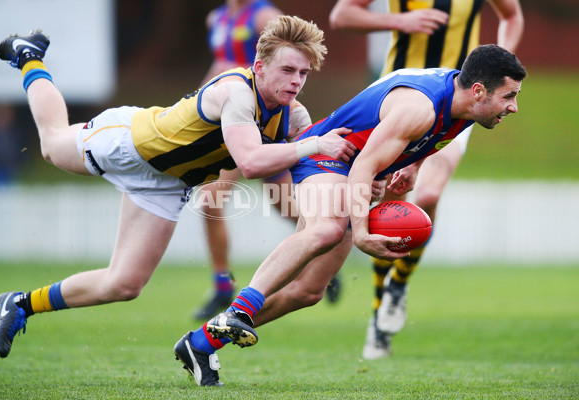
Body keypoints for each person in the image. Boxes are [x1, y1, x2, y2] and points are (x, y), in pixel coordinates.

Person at [0, 16, 357, 363]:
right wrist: (313, 147)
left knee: (124, 284)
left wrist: (353, 191)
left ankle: (20, 304)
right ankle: (28, 57)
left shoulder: (293, 116)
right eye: (287, 70)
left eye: (304, 73)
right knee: (52, 144)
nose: (296, 81)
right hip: (131, 145)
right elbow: (250, 162)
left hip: (168, 184)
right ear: (259, 67)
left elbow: (304, 176)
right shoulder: (237, 92)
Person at [174, 44, 526, 386]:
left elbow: (421, 139)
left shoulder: (467, 106)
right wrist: (360, 231)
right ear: (478, 90)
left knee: (308, 291)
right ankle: (238, 310)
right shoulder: (420, 107)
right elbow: (364, 165)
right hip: (327, 151)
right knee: (327, 229)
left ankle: (201, 343)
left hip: (351, 164)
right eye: (509, 97)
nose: (513, 108)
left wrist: (413, 166)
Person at [329, 0, 524, 359]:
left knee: (429, 193)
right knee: (390, 200)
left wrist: (499, 74)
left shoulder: (475, 95)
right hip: (403, 91)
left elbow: (512, 15)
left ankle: (398, 286)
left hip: (460, 98)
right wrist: (399, 19)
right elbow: (341, 16)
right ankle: (378, 313)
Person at [193, 0, 343, 321]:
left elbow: (291, 53)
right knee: (210, 200)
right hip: (237, 122)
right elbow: (221, 66)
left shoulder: (263, 15)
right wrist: (197, 101)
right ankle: (222, 284)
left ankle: (319, 256)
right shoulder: (216, 18)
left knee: (284, 203)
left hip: (267, 117)